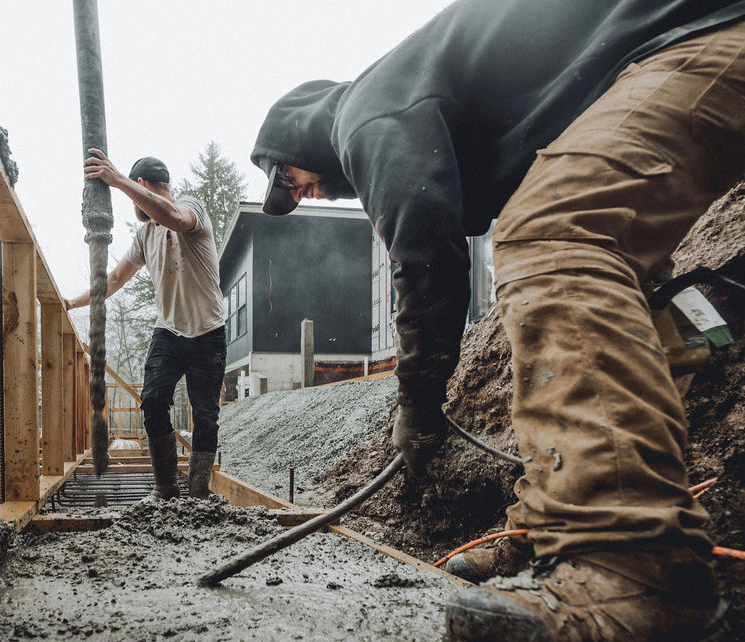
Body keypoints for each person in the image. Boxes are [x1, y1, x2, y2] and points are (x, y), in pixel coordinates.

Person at [250, 0, 745, 639]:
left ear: (296, 136)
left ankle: (631, 565)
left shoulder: (367, 111)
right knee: (596, 304)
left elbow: (427, 254)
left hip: (697, 35)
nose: (300, 195)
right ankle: (552, 532)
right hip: (656, 61)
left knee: (549, 237)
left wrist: (420, 405)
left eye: (288, 180)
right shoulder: (474, 120)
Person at [65, 150, 226, 501]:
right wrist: (71, 302)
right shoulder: (144, 236)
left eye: (132, 192)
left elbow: (176, 219)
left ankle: (199, 493)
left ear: (140, 185)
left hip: (208, 332)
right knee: (153, 401)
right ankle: (165, 489)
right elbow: (113, 280)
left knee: (205, 414)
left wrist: (116, 180)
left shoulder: (190, 206)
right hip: (168, 331)